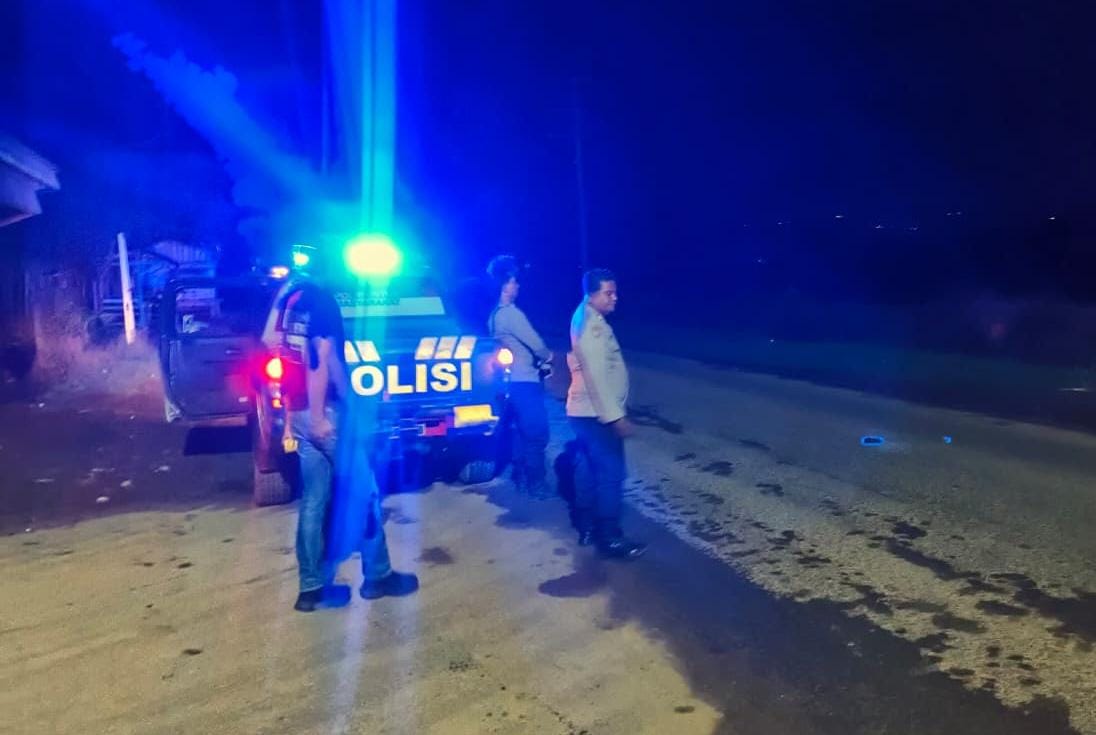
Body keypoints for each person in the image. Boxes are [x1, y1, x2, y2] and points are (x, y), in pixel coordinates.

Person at [280, 264, 418, 612]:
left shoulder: (293, 303)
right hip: (322, 416)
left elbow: (289, 352)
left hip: (299, 412)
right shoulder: (323, 303)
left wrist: (345, 400)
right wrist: (319, 417)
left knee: (313, 501)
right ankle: (378, 577)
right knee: (365, 493)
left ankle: (310, 589)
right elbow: (319, 360)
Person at [565, 268, 647, 560]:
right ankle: (610, 538)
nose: (615, 298)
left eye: (615, 292)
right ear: (591, 295)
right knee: (611, 474)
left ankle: (587, 526)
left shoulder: (585, 317)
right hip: (596, 414)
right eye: (608, 293)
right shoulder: (593, 326)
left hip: (584, 411)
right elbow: (596, 376)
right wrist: (615, 417)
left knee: (588, 469)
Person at [487, 255, 554, 498]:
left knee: (521, 432)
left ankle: (522, 479)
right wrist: (548, 356)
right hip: (525, 380)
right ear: (504, 285)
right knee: (536, 433)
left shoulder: (494, 315)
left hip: (511, 382)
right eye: (514, 281)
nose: (517, 285)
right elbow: (536, 344)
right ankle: (536, 485)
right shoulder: (511, 314)